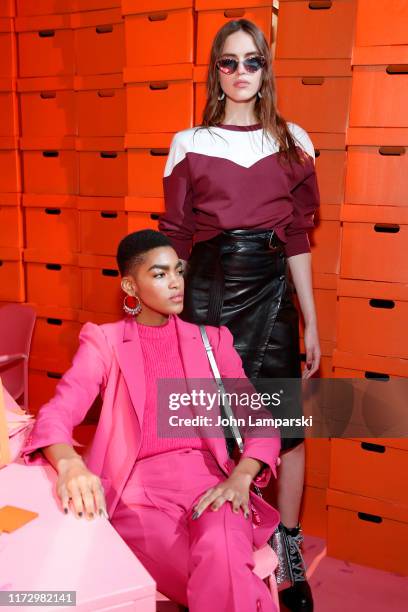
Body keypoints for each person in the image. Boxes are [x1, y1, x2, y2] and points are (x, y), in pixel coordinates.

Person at [20, 229, 282, 612]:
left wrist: (241, 477)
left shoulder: (213, 341)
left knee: (222, 554)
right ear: (130, 284)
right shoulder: (105, 342)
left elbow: (258, 418)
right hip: (139, 498)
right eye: (159, 274)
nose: (175, 282)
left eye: (177, 270)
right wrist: (70, 464)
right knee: (224, 579)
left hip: (212, 486)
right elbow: (59, 411)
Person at [159, 18, 321, 611]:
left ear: (266, 68)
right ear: (215, 70)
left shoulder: (294, 142)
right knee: (209, 423)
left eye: (252, 61)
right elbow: (175, 238)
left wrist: (312, 322)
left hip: (273, 293)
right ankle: (215, 545)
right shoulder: (189, 143)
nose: (242, 73)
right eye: (229, 62)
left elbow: (299, 237)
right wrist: (162, 320)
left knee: (286, 427)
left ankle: (289, 546)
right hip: (205, 291)